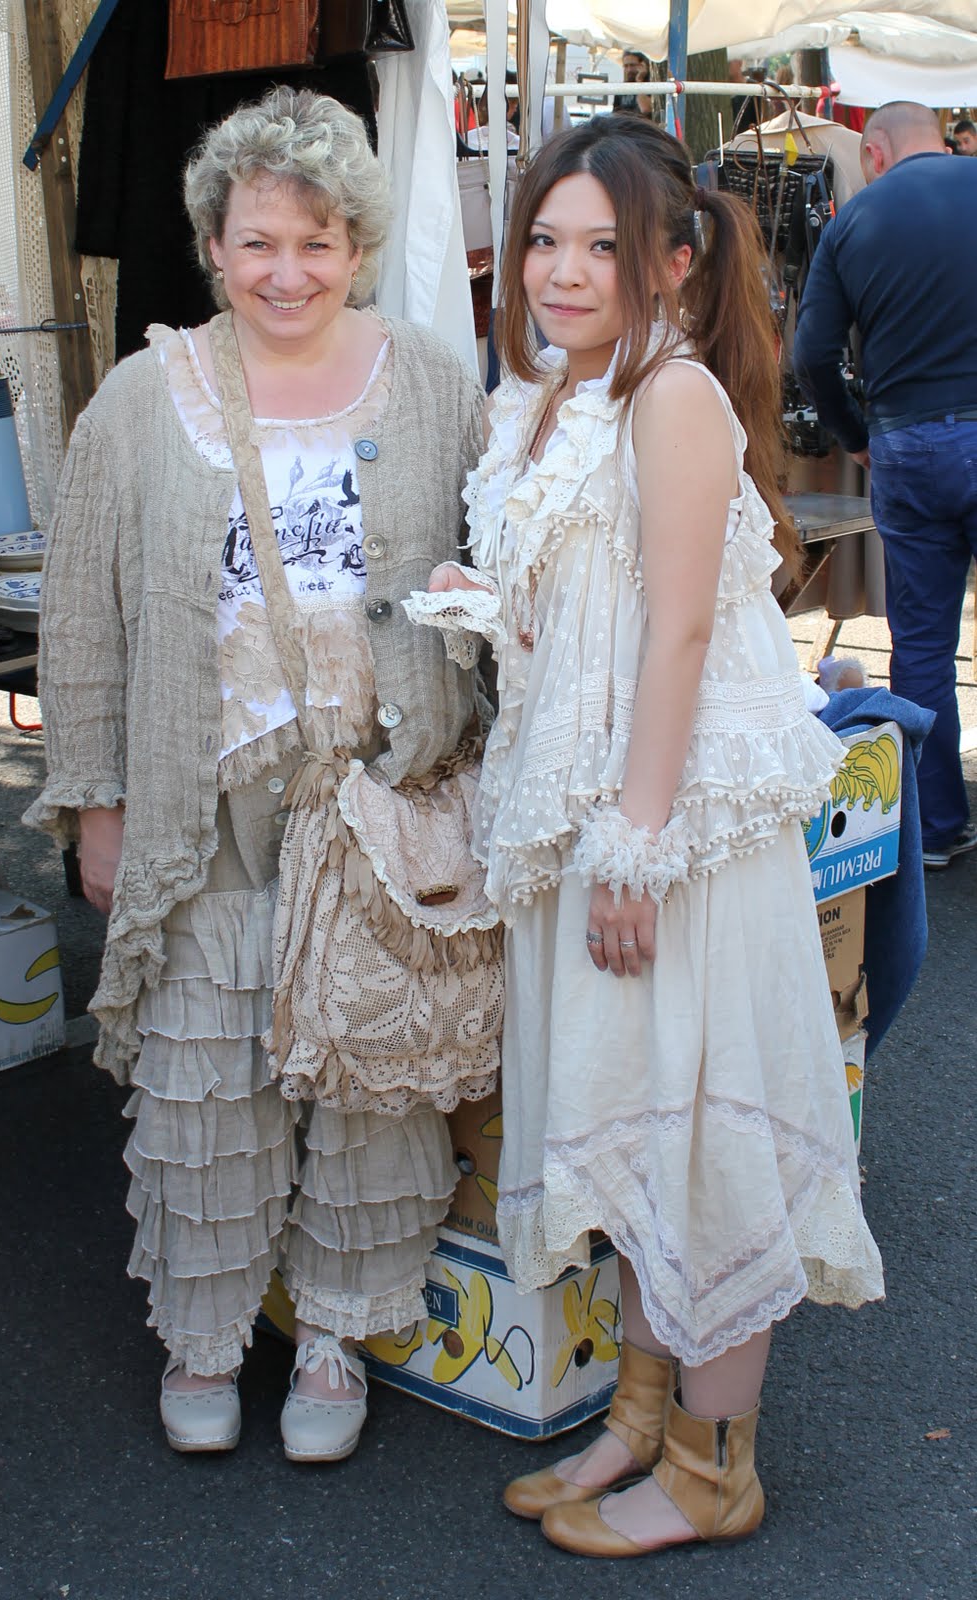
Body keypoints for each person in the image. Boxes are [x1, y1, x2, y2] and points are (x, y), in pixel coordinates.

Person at [417, 114, 883, 1560]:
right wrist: (492, 603)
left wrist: (634, 846)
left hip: (665, 831)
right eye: (544, 241)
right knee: (626, 1117)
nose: (560, 272)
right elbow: (590, 606)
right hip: (585, 814)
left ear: (673, 263)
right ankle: (636, 1414)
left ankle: (711, 1464)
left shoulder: (669, 395)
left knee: (695, 1131)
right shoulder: (551, 394)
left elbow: (678, 631)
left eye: (600, 247)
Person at [27, 87, 488, 1463]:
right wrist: (98, 807)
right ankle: (205, 1335)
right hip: (206, 804)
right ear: (212, 247)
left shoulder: (432, 383)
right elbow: (82, 620)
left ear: (357, 246)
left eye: (315, 242)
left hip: (378, 799)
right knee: (203, 1076)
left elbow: (494, 577)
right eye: (257, 243)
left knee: (367, 1073)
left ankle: (335, 1336)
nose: (287, 272)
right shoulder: (140, 399)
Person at [794, 100, 977, 870]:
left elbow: (811, 355)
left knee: (923, 644)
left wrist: (856, 437)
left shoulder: (853, 222)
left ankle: (935, 827)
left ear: (872, 152)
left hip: (903, 444)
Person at [618, 50, 653, 119]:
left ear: (642, 65)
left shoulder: (650, 85)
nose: (629, 70)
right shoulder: (621, 89)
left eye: (632, 65)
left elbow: (645, 109)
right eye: (626, 66)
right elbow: (615, 114)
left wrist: (639, 80)